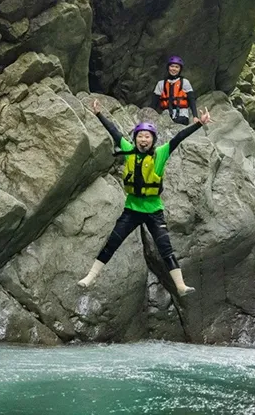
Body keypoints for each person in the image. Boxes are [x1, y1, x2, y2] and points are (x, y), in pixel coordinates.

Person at [78, 99, 212, 297]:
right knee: (112, 242)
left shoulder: (160, 154)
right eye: (140, 136)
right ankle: (90, 277)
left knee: (165, 248)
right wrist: (99, 114)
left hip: (153, 211)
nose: (143, 139)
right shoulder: (129, 151)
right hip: (132, 210)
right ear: (136, 139)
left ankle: (180, 285)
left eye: (147, 136)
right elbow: (114, 132)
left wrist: (199, 124)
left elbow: (178, 138)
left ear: (153, 140)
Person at [151, 56, 197, 124]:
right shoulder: (161, 84)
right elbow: (154, 103)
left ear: (180, 69)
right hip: (166, 116)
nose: (174, 69)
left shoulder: (185, 82)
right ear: (168, 67)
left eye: (177, 67)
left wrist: (195, 116)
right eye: (172, 66)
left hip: (182, 116)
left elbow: (192, 100)